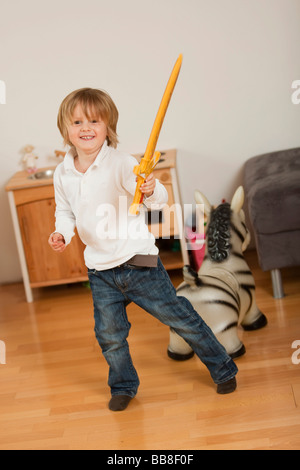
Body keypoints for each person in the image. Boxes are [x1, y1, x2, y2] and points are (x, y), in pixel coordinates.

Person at [48, 87, 238, 411]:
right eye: (77, 121)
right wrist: (62, 233)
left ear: (109, 125)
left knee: (180, 318)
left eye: (94, 120)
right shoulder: (62, 173)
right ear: (65, 129)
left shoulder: (122, 163)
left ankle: (223, 368)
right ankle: (123, 385)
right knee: (109, 335)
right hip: (99, 268)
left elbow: (157, 200)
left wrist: (150, 188)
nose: (86, 128)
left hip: (139, 259)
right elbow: (65, 212)